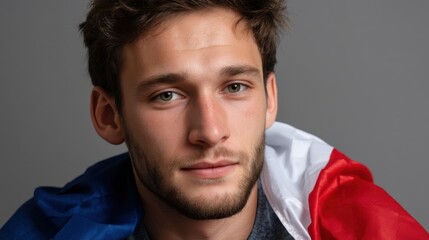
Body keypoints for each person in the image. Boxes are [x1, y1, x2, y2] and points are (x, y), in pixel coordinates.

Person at [1, 0, 427, 239]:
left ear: (270, 99)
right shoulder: (46, 233)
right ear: (109, 115)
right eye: (167, 95)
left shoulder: (357, 228)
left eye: (235, 87)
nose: (209, 131)